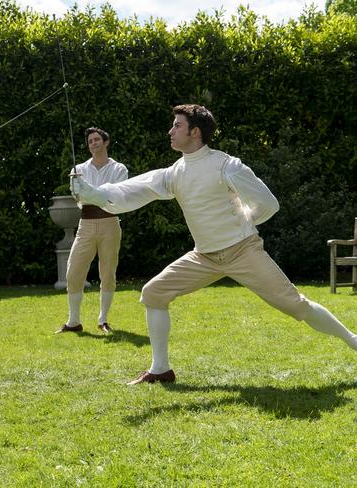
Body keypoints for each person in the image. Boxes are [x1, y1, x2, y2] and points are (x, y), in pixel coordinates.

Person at [71, 104, 357, 384]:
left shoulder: (226, 165)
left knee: (298, 306)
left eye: (177, 126)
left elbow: (268, 204)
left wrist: (244, 221)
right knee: (154, 293)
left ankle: (353, 340)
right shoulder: (175, 172)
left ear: (195, 132)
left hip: (243, 251)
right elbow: (137, 187)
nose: (170, 131)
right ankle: (161, 370)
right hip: (203, 257)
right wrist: (96, 194)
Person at [56, 127, 128, 335]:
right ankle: (73, 321)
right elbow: (79, 197)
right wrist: (91, 193)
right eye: (90, 141)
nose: (93, 143)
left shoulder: (119, 169)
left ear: (106, 142)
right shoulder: (79, 169)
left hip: (110, 223)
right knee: (74, 271)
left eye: (97, 140)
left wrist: (90, 191)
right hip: (86, 224)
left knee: (107, 272)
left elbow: (115, 196)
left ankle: (103, 320)